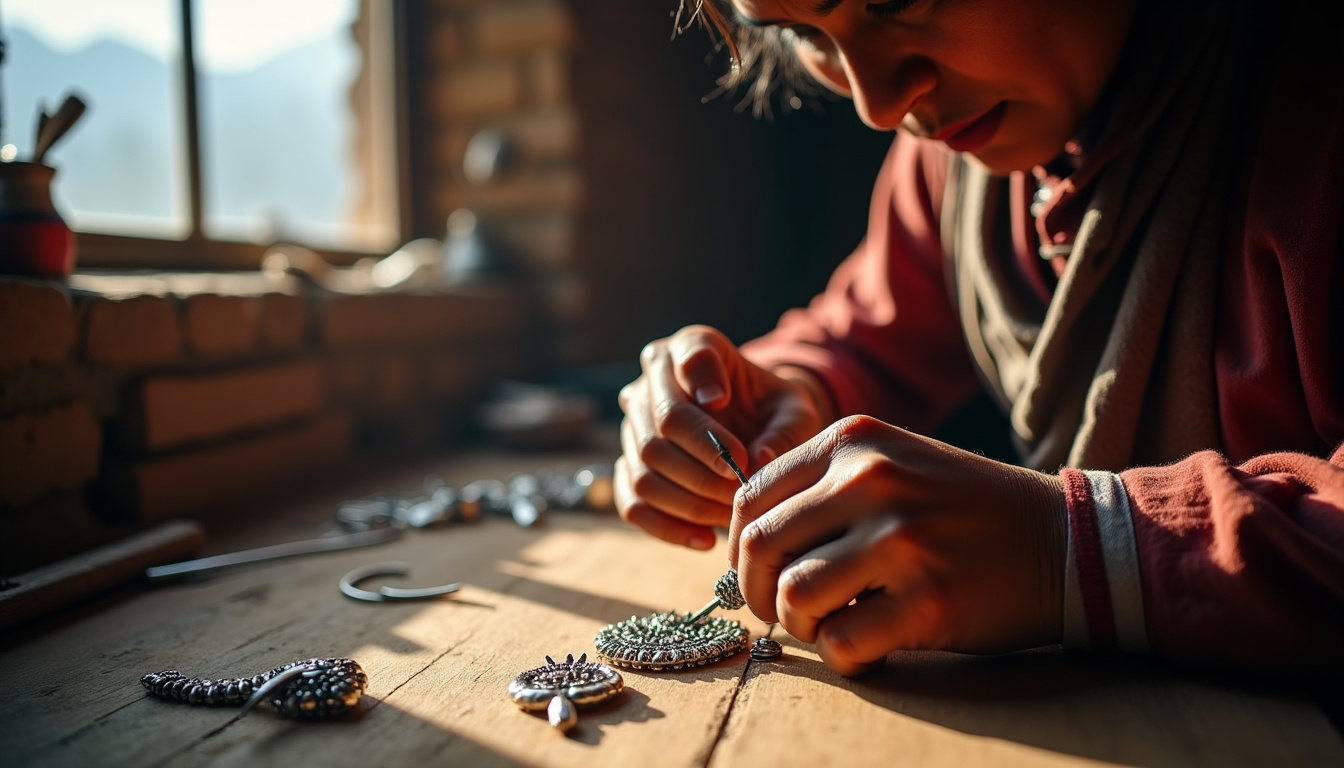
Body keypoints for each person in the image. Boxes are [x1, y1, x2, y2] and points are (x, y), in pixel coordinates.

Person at [615, 0, 1344, 678]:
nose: (878, 105)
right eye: (805, 34)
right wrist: (781, 396)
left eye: (895, 1)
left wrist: (1068, 551)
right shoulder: (957, 160)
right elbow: (873, 329)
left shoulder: (1311, 116)